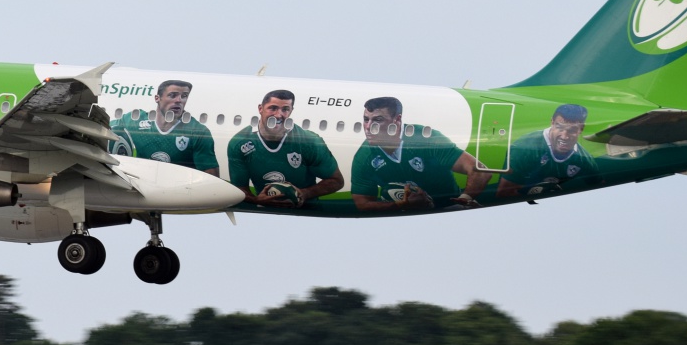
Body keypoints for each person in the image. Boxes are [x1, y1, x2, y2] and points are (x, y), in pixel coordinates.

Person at [350, 96, 490, 212]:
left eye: (378, 120)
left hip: (450, 209)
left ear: (397, 120)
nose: (368, 127)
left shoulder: (425, 138)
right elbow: (362, 204)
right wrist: (401, 205)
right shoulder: (364, 157)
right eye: (366, 119)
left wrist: (465, 199)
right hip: (411, 219)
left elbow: (481, 171)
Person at [227, 89, 343, 207]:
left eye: (285, 109)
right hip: (264, 212)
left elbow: (336, 181)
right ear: (260, 109)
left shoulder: (309, 142)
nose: (278, 115)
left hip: (307, 212)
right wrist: (257, 200)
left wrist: (304, 193)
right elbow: (239, 189)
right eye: (273, 108)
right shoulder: (240, 143)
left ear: (291, 111)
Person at [109, 79, 219, 175]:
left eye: (184, 96)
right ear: (157, 98)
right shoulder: (133, 122)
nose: (179, 100)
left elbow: (212, 181)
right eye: (172, 95)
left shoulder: (198, 131)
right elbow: (103, 128)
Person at [496, 104, 600, 199]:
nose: (564, 136)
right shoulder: (525, 148)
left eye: (572, 130)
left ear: (581, 129)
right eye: (559, 128)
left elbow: (600, 187)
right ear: (552, 122)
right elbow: (504, 194)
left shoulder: (584, 159)